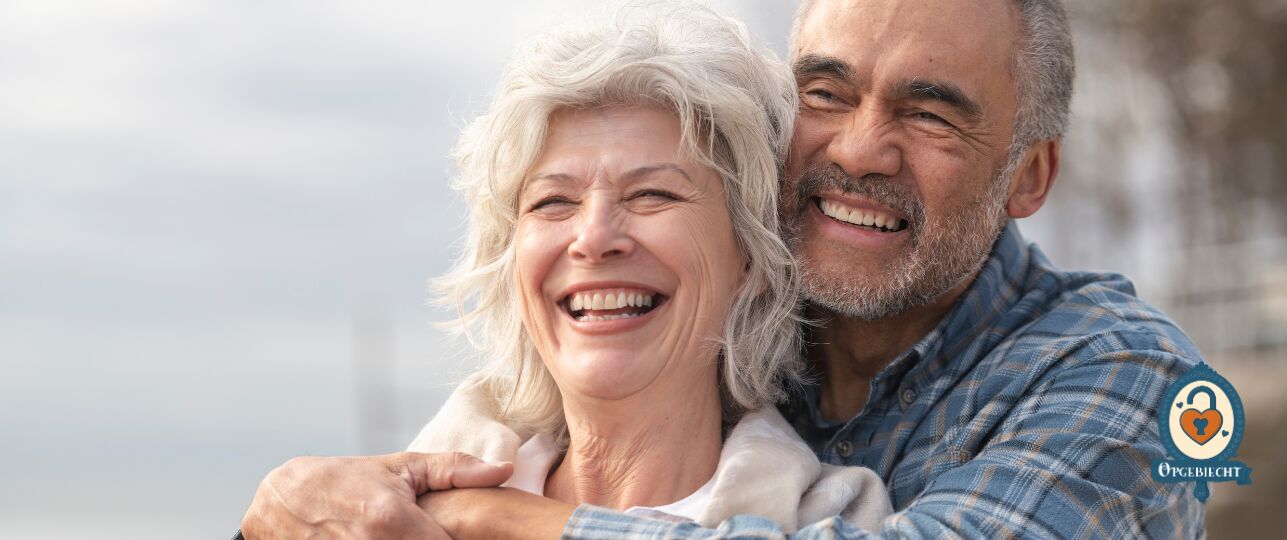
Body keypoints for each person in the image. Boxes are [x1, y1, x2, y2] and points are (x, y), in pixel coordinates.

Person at [241, 0, 1208, 537]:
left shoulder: (1141, 380)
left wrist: (497, 521)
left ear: (1028, 173)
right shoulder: (708, 337)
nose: (861, 150)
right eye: (824, 93)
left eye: (929, 112)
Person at [238, 3, 894, 538]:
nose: (594, 237)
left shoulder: (832, 519)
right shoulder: (374, 514)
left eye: (652, 195)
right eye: (553, 202)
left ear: (748, 258)